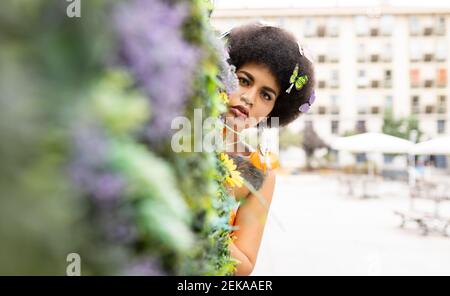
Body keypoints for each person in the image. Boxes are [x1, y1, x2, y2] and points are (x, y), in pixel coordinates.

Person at [221, 23, 315, 275]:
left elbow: (245, 266)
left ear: (274, 110)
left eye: (266, 95)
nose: (249, 98)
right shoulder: (181, 128)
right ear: (224, 74)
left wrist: (205, 226)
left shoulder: (261, 172)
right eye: (243, 81)